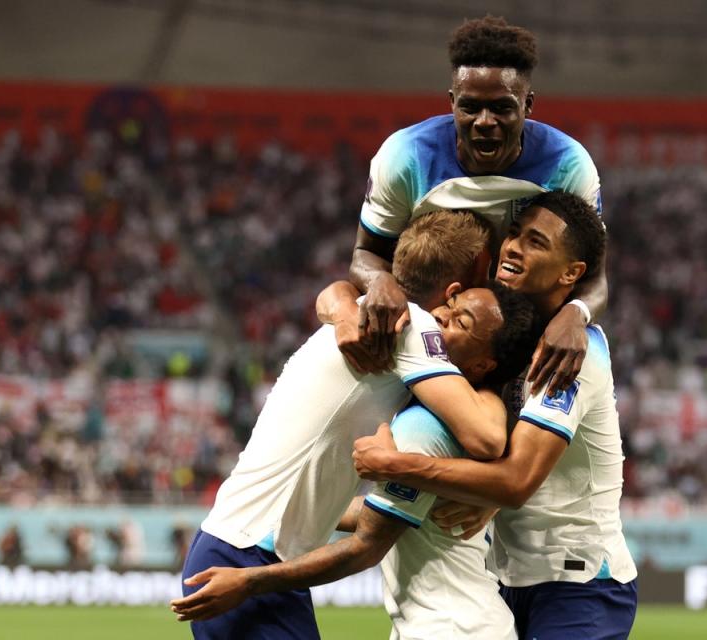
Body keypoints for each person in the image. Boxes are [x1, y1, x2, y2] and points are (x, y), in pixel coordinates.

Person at [174, 210, 537, 639]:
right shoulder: (413, 327)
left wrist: (342, 302)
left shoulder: (365, 311)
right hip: (247, 558)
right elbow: (486, 437)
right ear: (460, 284)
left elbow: (335, 292)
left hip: (251, 550)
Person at [353, 191, 639, 640]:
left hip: (579, 584)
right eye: (514, 234)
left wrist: (396, 466)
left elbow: (516, 481)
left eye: (536, 242)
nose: (513, 248)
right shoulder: (505, 345)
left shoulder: (571, 355)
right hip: (508, 579)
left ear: (572, 272)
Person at [351, 15, 608, 397]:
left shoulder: (567, 163)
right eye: (470, 107)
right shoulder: (405, 156)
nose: (484, 122)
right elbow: (364, 256)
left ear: (528, 104)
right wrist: (380, 280)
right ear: (452, 102)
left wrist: (577, 315)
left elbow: (594, 277)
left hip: (526, 349)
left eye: (502, 108)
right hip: (433, 340)